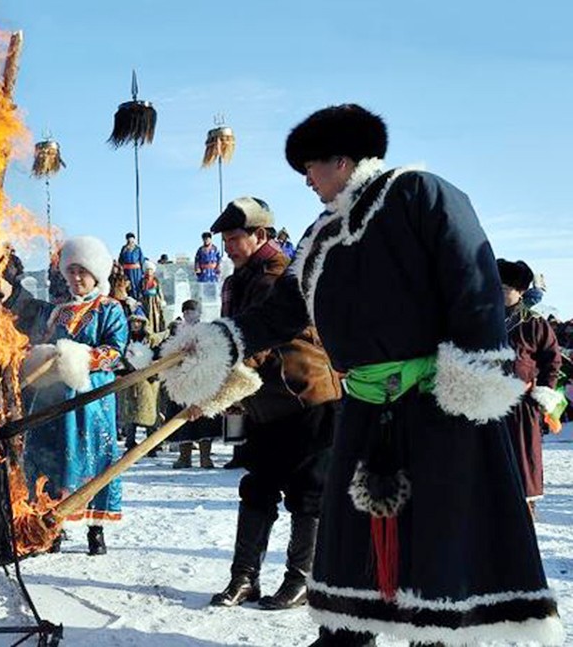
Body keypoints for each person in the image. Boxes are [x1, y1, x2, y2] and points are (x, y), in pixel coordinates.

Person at [159, 105, 562, 646]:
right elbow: (280, 312)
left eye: (310, 167)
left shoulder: (421, 194)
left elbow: (472, 279)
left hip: (434, 402)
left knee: (435, 536)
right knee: (350, 537)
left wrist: (473, 376)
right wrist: (215, 345)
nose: (305, 179)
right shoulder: (322, 232)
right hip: (364, 406)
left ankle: (434, 637)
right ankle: (346, 633)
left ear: (342, 159)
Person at [206, 196, 342, 611]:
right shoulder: (237, 279)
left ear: (260, 235)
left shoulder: (278, 274)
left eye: (234, 238)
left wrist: (215, 384)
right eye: (225, 239)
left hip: (306, 397)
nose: (227, 247)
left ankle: (301, 580)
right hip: (265, 404)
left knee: (308, 493)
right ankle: (244, 578)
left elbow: (261, 336)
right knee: (257, 488)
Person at [4, 236, 129, 555]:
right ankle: (53, 524)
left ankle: (95, 528)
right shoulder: (57, 311)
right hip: (53, 399)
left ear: (96, 274)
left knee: (92, 458)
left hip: (91, 398)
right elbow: (39, 337)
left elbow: (114, 352)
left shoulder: (109, 309)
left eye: (82, 272)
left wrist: (78, 357)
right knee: (50, 457)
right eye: (71, 271)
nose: (76, 278)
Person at [499, 258, 564, 515]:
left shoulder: (534, 324)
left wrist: (543, 394)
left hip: (521, 406)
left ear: (521, 291)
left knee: (523, 464)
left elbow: (552, 361)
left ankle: (524, 514)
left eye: (505, 288)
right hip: (486, 404)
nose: (498, 291)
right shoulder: (483, 319)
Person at [166, 300, 222, 469]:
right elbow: (167, 351)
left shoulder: (208, 331)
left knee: (205, 420)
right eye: (186, 311)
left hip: (203, 380)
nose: (189, 314)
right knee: (183, 419)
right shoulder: (177, 331)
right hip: (182, 381)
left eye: (192, 311)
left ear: (199, 313)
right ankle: (185, 457)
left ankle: (205, 458)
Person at [118, 307, 165, 455]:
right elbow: (119, 357)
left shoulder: (151, 340)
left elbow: (158, 355)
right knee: (130, 414)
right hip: (130, 381)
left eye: (138, 322)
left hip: (148, 381)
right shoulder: (124, 339)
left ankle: (151, 444)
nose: (135, 325)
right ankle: (130, 442)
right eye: (133, 322)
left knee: (149, 413)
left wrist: (153, 369)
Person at [140, 260, 166, 334]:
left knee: (156, 315)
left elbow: (159, 290)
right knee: (148, 315)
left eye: (150, 270)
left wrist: (162, 299)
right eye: (147, 270)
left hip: (155, 300)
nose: (149, 272)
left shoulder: (156, 280)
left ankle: (157, 330)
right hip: (146, 300)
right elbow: (141, 290)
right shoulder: (143, 280)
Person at [118, 232, 145, 299]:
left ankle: (138, 299)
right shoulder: (124, 248)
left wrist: (143, 271)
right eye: (129, 239)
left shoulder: (137, 249)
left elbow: (142, 260)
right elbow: (120, 260)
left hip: (136, 271)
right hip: (127, 271)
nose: (130, 241)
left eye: (132, 239)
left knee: (137, 285)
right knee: (128, 285)